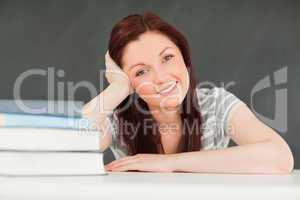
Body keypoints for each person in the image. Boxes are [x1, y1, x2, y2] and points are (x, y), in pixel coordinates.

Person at [82, 12, 294, 174]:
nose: (161, 77)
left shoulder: (215, 104)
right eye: (141, 71)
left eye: (167, 58)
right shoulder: (118, 116)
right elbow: (68, 150)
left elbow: (280, 157)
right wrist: (117, 89)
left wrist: (169, 163)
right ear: (129, 81)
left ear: (184, 58)